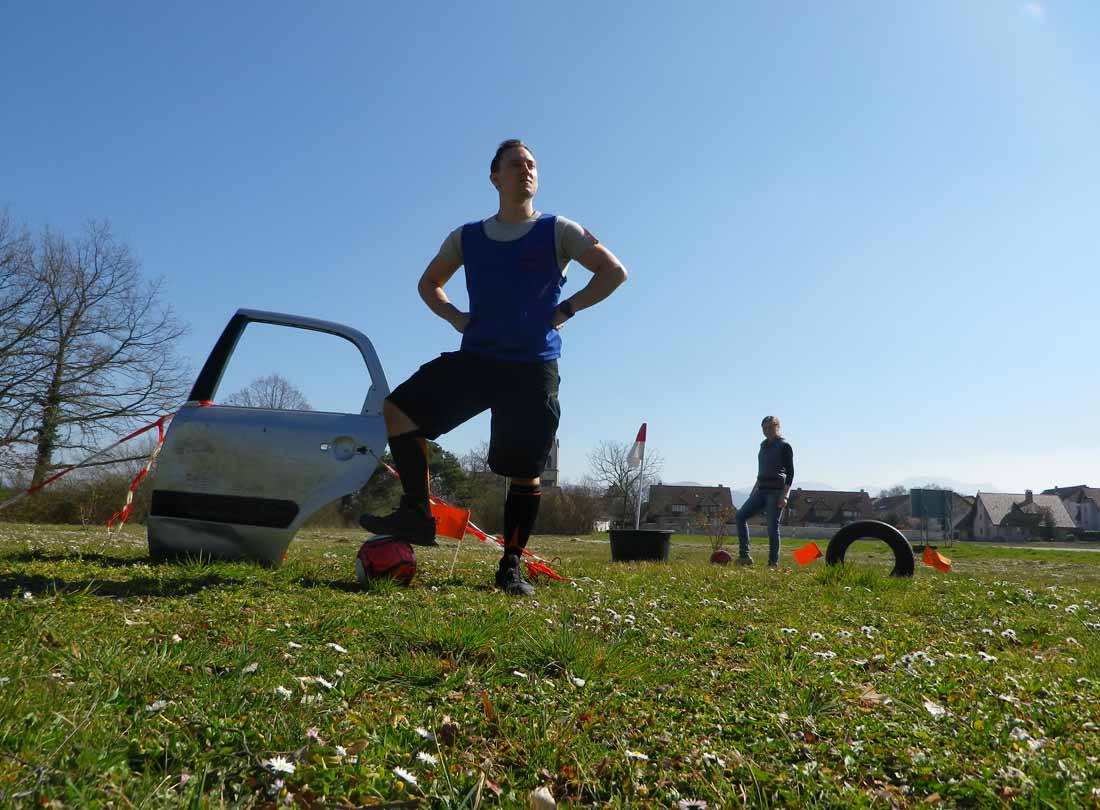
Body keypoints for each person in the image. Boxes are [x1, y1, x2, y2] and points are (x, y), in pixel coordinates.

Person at [359, 139, 628, 596]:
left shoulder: (558, 230)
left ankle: (510, 566)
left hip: (532, 367)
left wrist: (567, 310)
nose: (526, 169)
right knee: (398, 411)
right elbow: (429, 284)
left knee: (524, 471)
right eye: (515, 164)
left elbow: (613, 272)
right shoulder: (466, 236)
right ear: (495, 177)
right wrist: (455, 317)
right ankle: (416, 514)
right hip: (479, 358)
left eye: (532, 164)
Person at [735, 416, 794, 567]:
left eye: (770, 427)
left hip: (776, 492)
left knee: (772, 527)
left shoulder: (784, 446)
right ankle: (744, 556)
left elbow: (790, 473)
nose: (767, 430)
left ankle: (773, 563)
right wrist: (753, 492)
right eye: (764, 428)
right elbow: (761, 471)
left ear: (777, 427)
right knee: (740, 516)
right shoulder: (763, 446)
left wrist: (785, 496)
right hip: (760, 489)